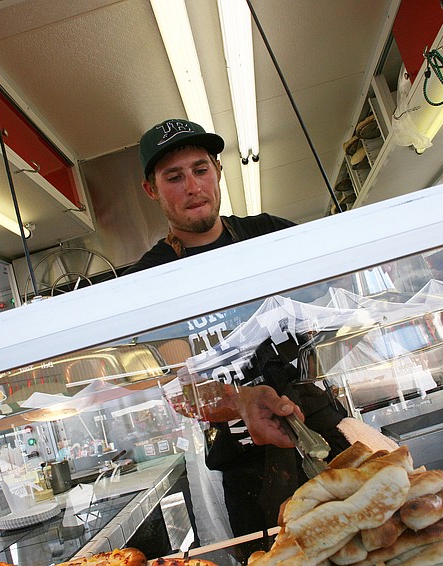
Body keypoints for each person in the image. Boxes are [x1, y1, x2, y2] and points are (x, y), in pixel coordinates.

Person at [126, 119, 350, 535]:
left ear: (218, 172)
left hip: (319, 423)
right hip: (246, 457)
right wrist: (242, 402)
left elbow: (341, 293)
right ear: (151, 190)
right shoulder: (152, 280)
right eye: (174, 177)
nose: (193, 186)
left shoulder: (268, 234)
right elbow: (184, 388)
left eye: (200, 169)